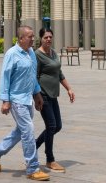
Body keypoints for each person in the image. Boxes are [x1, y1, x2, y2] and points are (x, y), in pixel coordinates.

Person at [0, 25, 49, 181]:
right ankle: (32, 168)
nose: (33, 39)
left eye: (33, 36)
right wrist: (5, 101)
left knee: (20, 132)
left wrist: (37, 94)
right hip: (16, 100)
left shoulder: (31, 54)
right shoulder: (12, 54)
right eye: (30, 36)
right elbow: (5, 78)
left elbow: (32, 76)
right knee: (28, 131)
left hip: (27, 98)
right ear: (21, 38)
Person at [34, 29, 75, 173]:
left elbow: (59, 74)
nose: (49, 39)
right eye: (46, 37)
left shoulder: (53, 53)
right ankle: (50, 160)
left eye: (50, 37)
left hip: (53, 95)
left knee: (57, 126)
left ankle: (33, 146)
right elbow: (35, 77)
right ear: (41, 39)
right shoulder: (37, 55)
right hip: (43, 95)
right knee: (51, 125)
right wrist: (36, 96)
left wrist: (68, 89)